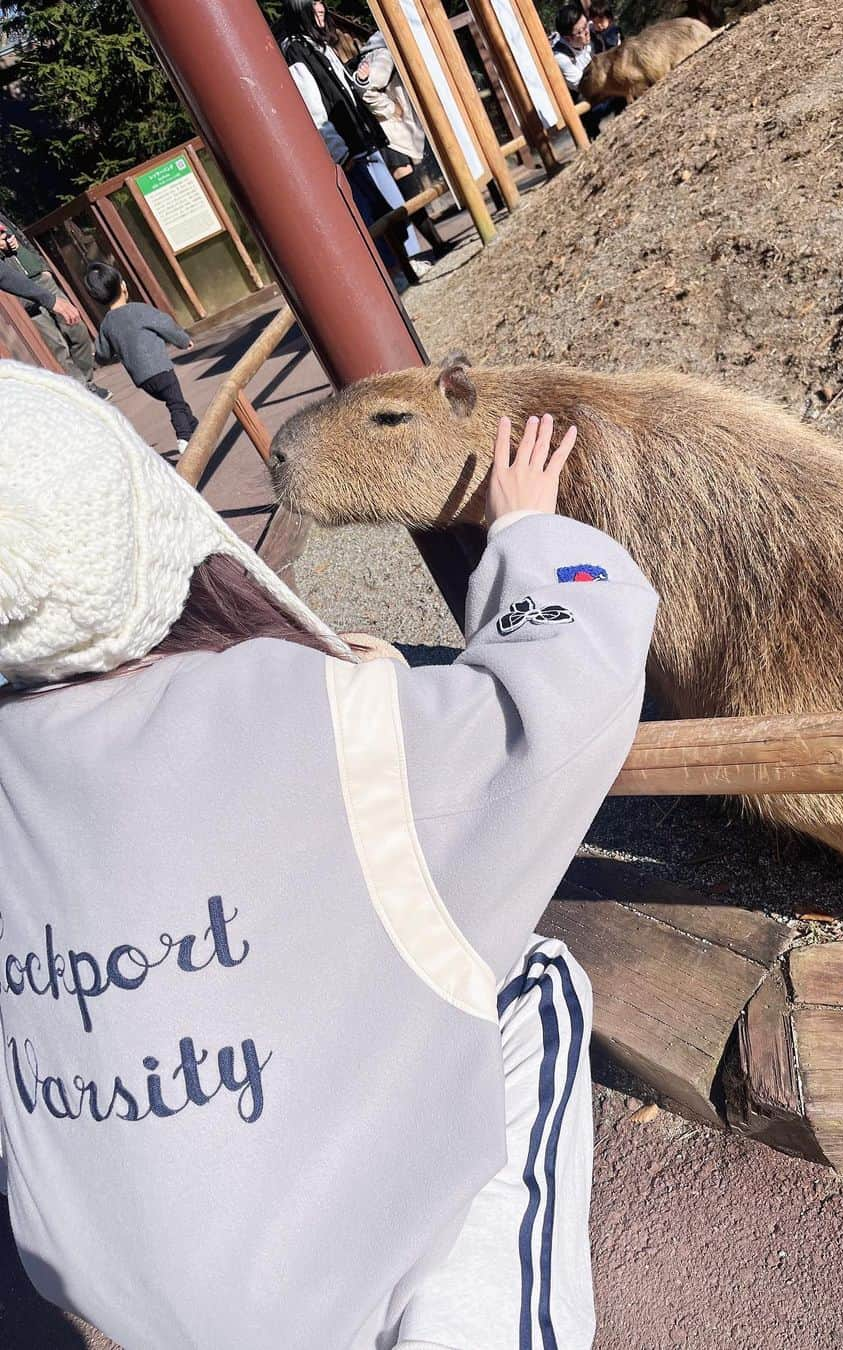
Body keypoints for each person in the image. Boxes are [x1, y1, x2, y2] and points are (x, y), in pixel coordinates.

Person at [0, 360, 657, 1348]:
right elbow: (558, 696)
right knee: (531, 981)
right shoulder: (296, 713)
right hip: (293, 1307)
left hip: (104, 1297)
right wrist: (531, 536)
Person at [276, 0, 426, 289]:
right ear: (300, 10)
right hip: (347, 147)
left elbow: (342, 88)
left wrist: (361, 80)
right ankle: (395, 272)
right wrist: (338, 150)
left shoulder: (317, 43)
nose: (321, 10)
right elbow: (313, 106)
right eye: (314, 6)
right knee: (372, 212)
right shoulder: (296, 49)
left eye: (321, 4)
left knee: (386, 205)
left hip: (361, 137)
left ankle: (408, 263)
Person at [351, 32, 449, 261]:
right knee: (410, 191)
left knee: (410, 189)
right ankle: (436, 244)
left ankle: (437, 244)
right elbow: (365, 88)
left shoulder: (380, 50)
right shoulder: (383, 53)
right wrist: (390, 108)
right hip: (389, 135)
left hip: (393, 133)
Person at [83, 262, 198, 452]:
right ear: (123, 287)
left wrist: (99, 358)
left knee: (176, 401)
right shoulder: (139, 310)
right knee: (175, 403)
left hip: (142, 380)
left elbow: (103, 353)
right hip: (161, 369)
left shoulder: (106, 325)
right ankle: (183, 438)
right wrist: (183, 340)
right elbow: (165, 324)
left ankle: (194, 426)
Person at [0, 212, 109, 400]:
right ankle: (82, 389)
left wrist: (44, 268)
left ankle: (87, 380)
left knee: (77, 327)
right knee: (56, 344)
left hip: (41, 278)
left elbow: (22, 238)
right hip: (21, 292)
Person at [551, 2, 594, 96]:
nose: (587, 31)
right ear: (567, 38)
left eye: (586, 25)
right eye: (580, 31)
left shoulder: (592, 33)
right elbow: (584, 86)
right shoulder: (560, 57)